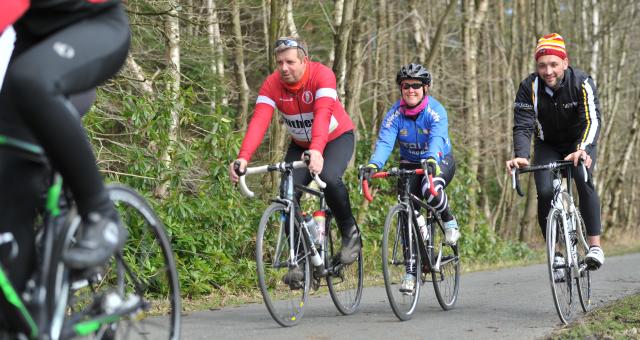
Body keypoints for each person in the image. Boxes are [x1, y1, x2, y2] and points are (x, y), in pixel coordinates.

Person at [0, 1, 131, 332]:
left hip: (93, 26)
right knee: (11, 176)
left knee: (31, 81)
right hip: (29, 46)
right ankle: (33, 309)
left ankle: (100, 214)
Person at [228, 37, 361, 286]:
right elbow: (259, 121)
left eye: (289, 62)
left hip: (334, 139)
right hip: (300, 145)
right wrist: (243, 157)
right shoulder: (272, 84)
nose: (284, 68)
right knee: (287, 195)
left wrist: (318, 150)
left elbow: (322, 114)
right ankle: (298, 260)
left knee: (330, 179)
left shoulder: (322, 76)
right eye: (279, 62)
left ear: (304, 61)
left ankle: (349, 232)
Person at [506, 33, 605, 271]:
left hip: (578, 142)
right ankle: (557, 252)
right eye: (542, 65)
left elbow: (592, 120)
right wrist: (521, 154)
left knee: (582, 178)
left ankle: (595, 247)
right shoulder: (528, 87)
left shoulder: (581, 82)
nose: (548, 71)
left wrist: (582, 149)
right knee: (544, 190)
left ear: (565, 63)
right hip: (547, 144)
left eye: (553, 64)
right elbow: (523, 124)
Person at [363, 63, 459, 293]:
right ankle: (410, 272)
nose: (410, 90)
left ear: (425, 88)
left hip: (438, 159)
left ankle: (448, 219)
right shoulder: (394, 114)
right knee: (406, 212)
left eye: (416, 85)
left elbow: (437, 137)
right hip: (409, 163)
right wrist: (373, 164)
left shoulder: (436, 111)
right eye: (405, 86)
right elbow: (386, 142)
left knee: (430, 187)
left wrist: (431, 159)